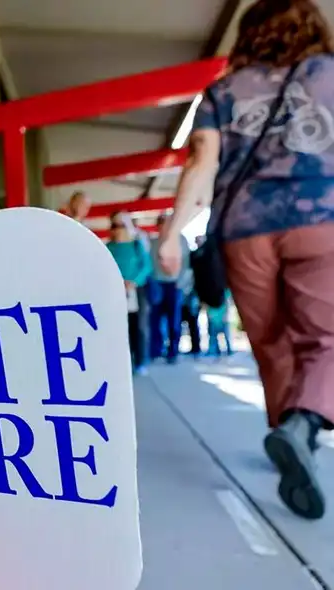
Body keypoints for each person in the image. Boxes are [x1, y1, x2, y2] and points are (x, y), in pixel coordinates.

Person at [157, 0, 334, 520]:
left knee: (272, 342)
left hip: (244, 229)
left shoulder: (223, 90)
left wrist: (171, 235)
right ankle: (302, 427)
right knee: (326, 337)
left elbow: (202, 164)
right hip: (320, 219)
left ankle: (289, 436)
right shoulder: (328, 74)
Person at [106, 211, 153, 375]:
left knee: (138, 326)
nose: (117, 229)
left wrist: (133, 282)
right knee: (119, 328)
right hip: (115, 291)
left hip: (135, 290)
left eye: (120, 225)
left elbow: (147, 266)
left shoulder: (137, 244)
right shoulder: (108, 247)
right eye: (114, 225)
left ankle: (140, 361)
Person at [148, 214, 190, 363]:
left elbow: (186, 264)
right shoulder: (153, 242)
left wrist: (180, 283)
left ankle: (173, 350)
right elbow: (149, 264)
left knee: (174, 319)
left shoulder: (181, 240)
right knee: (155, 319)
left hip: (174, 284)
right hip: (157, 283)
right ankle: (156, 349)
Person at [206, 290, 234, 357]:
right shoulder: (209, 290)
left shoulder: (225, 291)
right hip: (213, 315)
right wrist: (208, 314)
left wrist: (226, 314)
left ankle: (229, 350)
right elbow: (206, 303)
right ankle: (215, 350)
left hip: (222, 315)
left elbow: (228, 302)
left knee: (226, 336)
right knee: (213, 336)